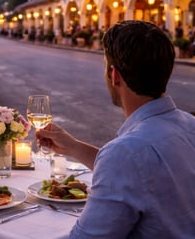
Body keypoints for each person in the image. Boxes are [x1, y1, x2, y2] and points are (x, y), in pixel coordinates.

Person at [36, 20, 195, 238]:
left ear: (114, 75)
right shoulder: (188, 124)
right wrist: (74, 147)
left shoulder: (127, 153)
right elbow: (146, 175)